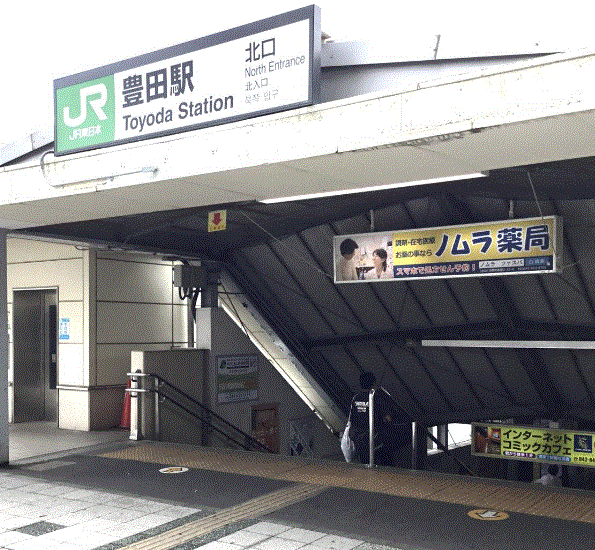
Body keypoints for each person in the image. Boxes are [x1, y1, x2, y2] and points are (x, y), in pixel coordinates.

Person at [347, 371, 403, 466]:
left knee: (365, 464)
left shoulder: (356, 398)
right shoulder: (377, 397)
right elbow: (388, 418)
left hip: (360, 439)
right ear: (373, 383)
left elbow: (352, 419)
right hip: (376, 438)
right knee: (385, 463)